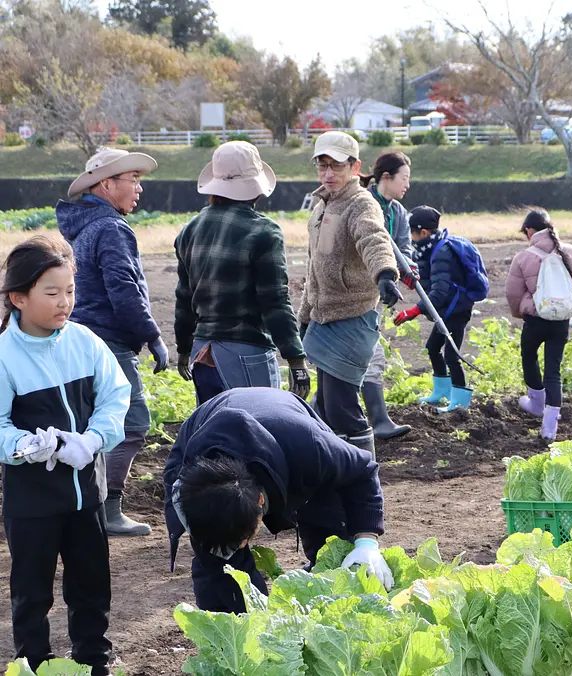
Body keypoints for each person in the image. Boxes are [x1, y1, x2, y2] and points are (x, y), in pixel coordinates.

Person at [0, 236, 130, 676]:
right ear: (18, 298)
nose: (65, 303)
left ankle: (94, 662)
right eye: (52, 293)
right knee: (32, 591)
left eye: (70, 291)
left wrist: (93, 440)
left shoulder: (84, 341)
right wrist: (21, 446)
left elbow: (116, 396)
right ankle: (31, 664)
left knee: (92, 584)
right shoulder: (4, 355)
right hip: (32, 500)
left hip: (86, 495)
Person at [163, 387, 391, 615]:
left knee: (332, 538)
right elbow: (216, 553)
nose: (242, 544)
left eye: (243, 538)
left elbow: (362, 471)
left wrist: (366, 542)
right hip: (205, 427)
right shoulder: (187, 490)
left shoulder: (311, 448)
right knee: (220, 565)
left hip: (285, 429)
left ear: (260, 500)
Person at [57, 147, 166, 537]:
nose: (138, 188)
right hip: (109, 342)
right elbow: (123, 288)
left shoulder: (83, 225)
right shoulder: (112, 228)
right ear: (107, 184)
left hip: (82, 339)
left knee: (92, 420)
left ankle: (88, 503)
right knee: (131, 422)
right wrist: (152, 336)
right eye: (132, 179)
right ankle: (108, 508)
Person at [174, 141, 309, 407]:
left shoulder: (190, 230)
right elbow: (275, 302)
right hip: (245, 353)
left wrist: (183, 349)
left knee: (216, 435)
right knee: (258, 433)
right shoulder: (263, 233)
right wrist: (295, 358)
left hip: (202, 354)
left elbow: (184, 298)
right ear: (255, 187)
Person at [297, 132, 402, 452]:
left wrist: (385, 273)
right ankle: (337, 475)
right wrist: (304, 315)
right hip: (324, 317)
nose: (328, 174)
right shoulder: (321, 205)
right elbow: (315, 269)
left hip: (352, 316)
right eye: (322, 166)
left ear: (355, 167)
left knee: (342, 407)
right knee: (324, 408)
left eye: (337, 167)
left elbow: (374, 239)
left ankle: (365, 480)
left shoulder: (360, 203)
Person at [505, 209, 572, 440]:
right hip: (561, 321)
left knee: (529, 355)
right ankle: (549, 429)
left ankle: (536, 404)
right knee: (554, 371)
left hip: (536, 319)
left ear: (529, 231)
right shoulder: (571, 251)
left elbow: (513, 293)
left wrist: (521, 312)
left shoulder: (524, 257)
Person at [394, 206, 481, 413]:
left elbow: (439, 292)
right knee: (433, 348)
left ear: (423, 232)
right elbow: (429, 281)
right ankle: (442, 392)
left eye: (412, 233)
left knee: (452, 355)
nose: (411, 239)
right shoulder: (429, 249)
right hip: (447, 309)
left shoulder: (442, 252)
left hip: (457, 310)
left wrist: (414, 311)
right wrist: (411, 281)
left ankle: (460, 404)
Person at [358, 152, 417, 440]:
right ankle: (379, 420)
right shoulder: (363, 203)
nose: (407, 185)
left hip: (379, 294)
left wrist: (406, 266)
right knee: (370, 353)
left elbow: (404, 248)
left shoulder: (400, 213)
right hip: (357, 289)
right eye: (404, 178)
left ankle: (318, 415)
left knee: (359, 355)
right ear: (386, 178)